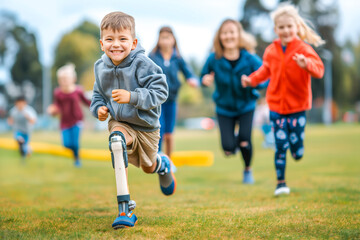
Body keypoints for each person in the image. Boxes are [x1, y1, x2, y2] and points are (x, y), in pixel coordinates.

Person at [90, 11, 176, 229]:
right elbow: (98, 94)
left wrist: (133, 97)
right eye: (109, 39)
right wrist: (99, 108)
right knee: (116, 142)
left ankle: (162, 164)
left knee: (148, 167)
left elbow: (161, 90)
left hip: (147, 127)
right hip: (120, 123)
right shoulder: (100, 67)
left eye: (122, 39)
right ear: (102, 43)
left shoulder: (143, 63)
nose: (115, 45)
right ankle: (125, 209)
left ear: (133, 42)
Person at [242, 3, 325, 196]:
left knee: (296, 150)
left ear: (296, 27)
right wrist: (251, 80)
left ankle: (298, 148)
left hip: (298, 107)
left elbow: (319, 70)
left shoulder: (303, 48)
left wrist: (307, 64)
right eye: (281, 27)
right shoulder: (271, 50)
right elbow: (264, 71)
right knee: (280, 146)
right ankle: (281, 183)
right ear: (275, 29)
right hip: (276, 107)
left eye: (289, 26)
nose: (286, 30)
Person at [200, 19, 268, 184]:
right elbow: (202, 76)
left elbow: (266, 77)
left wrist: (253, 82)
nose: (228, 36)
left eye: (232, 32)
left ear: (238, 35)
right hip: (224, 108)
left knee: (245, 140)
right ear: (220, 37)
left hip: (246, 105)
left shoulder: (249, 58)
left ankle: (247, 170)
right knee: (228, 149)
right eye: (225, 32)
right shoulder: (214, 58)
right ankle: (231, 141)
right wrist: (205, 80)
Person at [149, 26, 198, 157]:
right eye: (162, 38)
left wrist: (192, 79)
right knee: (160, 129)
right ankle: (157, 157)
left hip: (171, 99)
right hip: (157, 101)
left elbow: (188, 72)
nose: (165, 41)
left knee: (169, 134)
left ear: (173, 40)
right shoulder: (152, 57)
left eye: (168, 38)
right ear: (158, 40)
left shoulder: (178, 58)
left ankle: (169, 160)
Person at [47, 63, 91, 168]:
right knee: (66, 144)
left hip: (77, 120)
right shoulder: (58, 93)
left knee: (75, 143)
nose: (64, 81)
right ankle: (75, 154)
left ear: (73, 79)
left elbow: (86, 101)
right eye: (62, 79)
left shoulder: (78, 90)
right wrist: (52, 110)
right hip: (64, 122)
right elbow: (57, 105)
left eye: (66, 79)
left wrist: (96, 107)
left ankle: (77, 159)